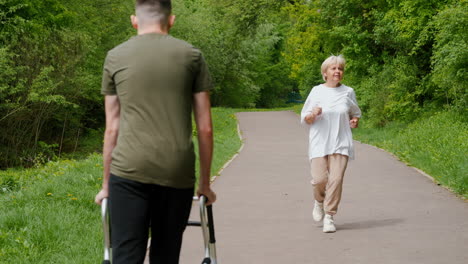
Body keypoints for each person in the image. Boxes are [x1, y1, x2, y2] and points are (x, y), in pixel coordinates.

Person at [94, 0, 216, 263]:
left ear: (134, 20)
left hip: (127, 170)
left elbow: (112, 128)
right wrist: (204, 184)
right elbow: (205, 128)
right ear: (171, 20)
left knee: (126, 254)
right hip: (177, 171)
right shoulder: (192, 55)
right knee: (166, 254)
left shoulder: (115, 56)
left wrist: (106, 186)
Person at [300, 55, 361, 233]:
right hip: (320, 141)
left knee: (336, 179)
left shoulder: (348, 92)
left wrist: (354, 120)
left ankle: (329, 216)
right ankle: (319, 201)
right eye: (333, 68)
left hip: (341, 141)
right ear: (325, 73)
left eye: (340, 69)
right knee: (319, 180)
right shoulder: (316, 91)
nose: (337, 71)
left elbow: (355, 112)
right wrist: (313, 114)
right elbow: (305, 118)